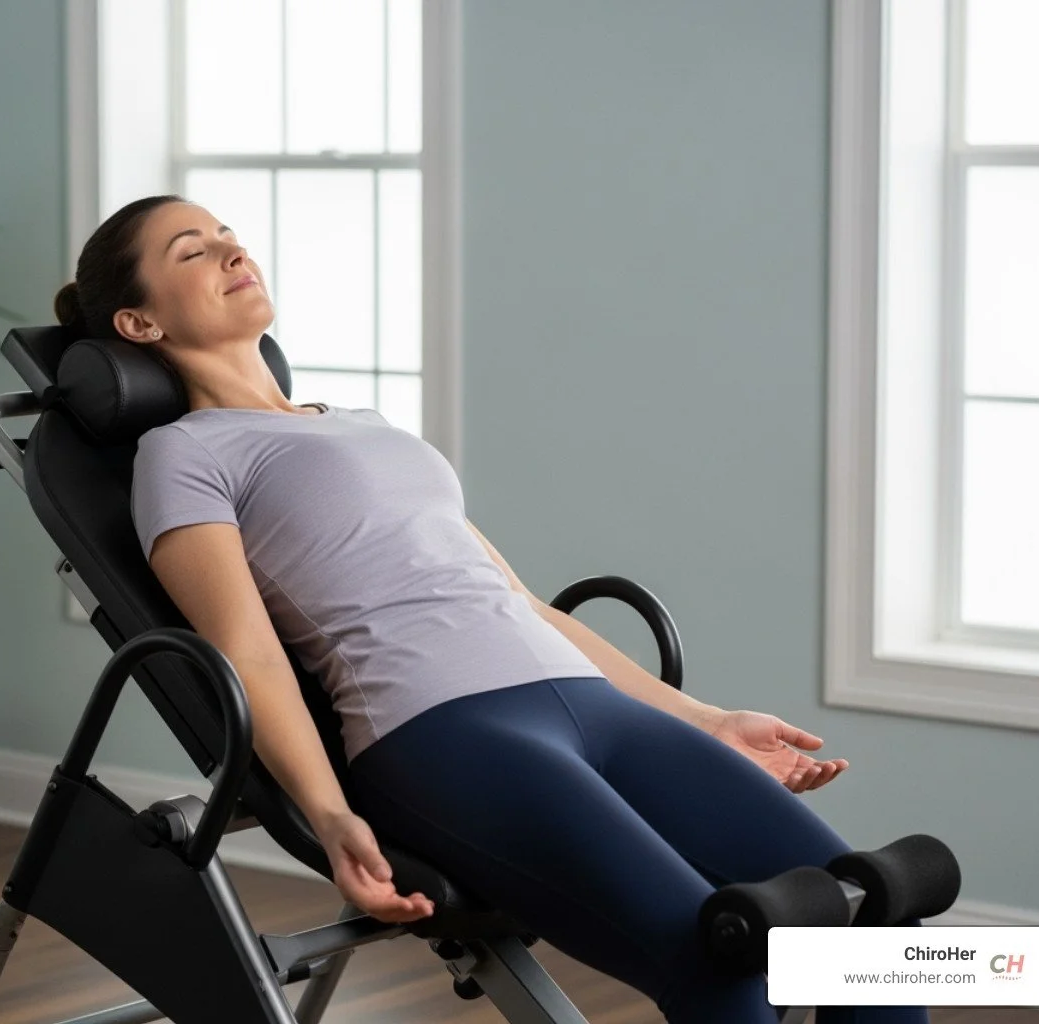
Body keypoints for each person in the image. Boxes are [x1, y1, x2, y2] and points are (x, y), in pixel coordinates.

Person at [55, 194, 929, 1024]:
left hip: (592, 708)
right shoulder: (182, 455)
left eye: (227, 233)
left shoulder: (367, 424)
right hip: (441, 734)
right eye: (193, 251)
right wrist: (329, 818)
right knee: (721, 958)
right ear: (139, 324)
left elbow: (516, 601)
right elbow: (245, 650)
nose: (232, 250)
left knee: (868, 924)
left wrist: (704, 719)